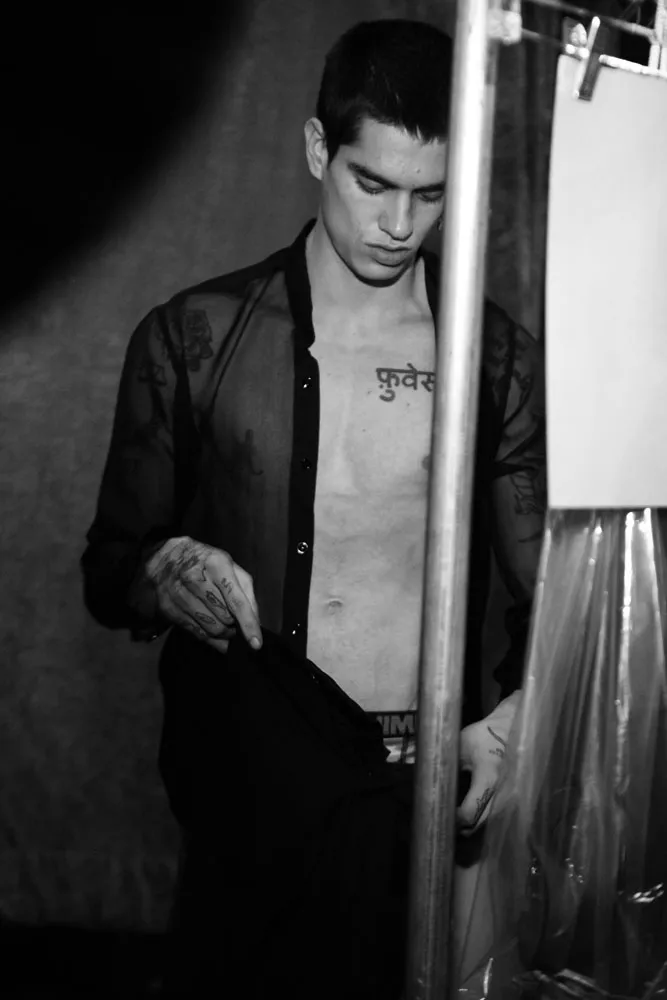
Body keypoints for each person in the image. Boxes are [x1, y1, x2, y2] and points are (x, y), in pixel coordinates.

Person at [81, 18, 546, 997]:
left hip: (423, 790)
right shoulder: (198, 335)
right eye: (371, 183)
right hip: (254, 786)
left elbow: (555, 584)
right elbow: (112, 560)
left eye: (429, 194)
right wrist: (168, 568)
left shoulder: (494, 358)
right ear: (314, 149)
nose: (398, 223)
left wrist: (516, 718)